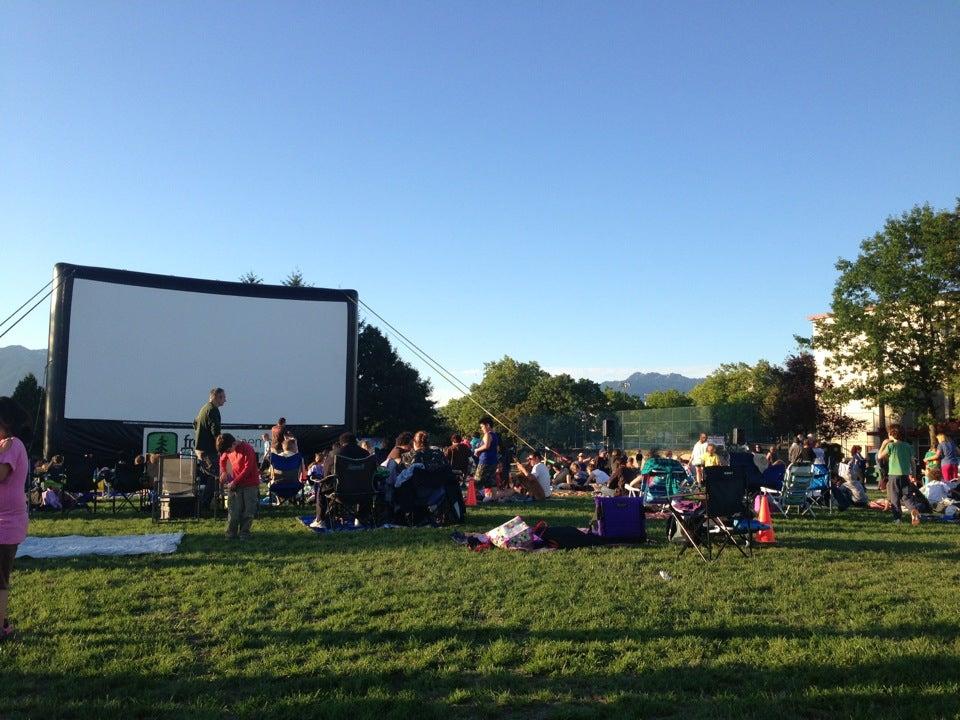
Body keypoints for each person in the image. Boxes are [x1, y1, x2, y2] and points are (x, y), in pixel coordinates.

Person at [0, 397, 30, 641]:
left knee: (0, 580)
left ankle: (1, 628)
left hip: (5, 525)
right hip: (6, 522)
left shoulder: (12, 444)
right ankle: (3, 622)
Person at [313, 432, 370, 527]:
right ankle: (361, 519)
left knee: (321, 487)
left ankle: (320, 520)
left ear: (341, 443)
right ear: (355, 442)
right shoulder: (366, 453)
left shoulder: (334, 453)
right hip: (363, 492)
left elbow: (326, 475)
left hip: (341, 492)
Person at [216, 433, 260, 539]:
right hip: (235, 484)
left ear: (233, 444)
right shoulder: (227, 450)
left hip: (250, 484)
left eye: (228, 451)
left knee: (248, 511)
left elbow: (247, 469)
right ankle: (230, 534)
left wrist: (234, 482)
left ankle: (244, 533)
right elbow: (222, 460)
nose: (227, 453)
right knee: (233, 510)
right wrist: (224, 472)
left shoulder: (247, 449)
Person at [878, 424, 921, 526]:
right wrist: (914, 475)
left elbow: (879, 456)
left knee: (894, 497)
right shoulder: (908, 446)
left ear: (892, 434)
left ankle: (897, 519)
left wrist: (883, 444)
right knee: (907, 496)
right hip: (905, 475)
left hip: (894, 475)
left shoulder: (891, 446)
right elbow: (913, 462)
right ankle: (913, 510)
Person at [194, 388, 226, 508]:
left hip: (201, 449)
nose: (225, 400)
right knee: (218, 475)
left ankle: (206, 502)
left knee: (212, 476)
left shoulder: (204, 408)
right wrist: (221, 447)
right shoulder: (213, 410)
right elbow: (216, 432)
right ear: (216, 397)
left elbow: (195, 423)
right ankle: (205, 504)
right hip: (208, 450)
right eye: (223, 397)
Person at [473, 417, 500, 502]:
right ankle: (494, 498)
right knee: (491, 480)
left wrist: (477, 450)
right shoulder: (495, 435)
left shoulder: (487, 434)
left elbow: (486, 446)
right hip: (493, 460)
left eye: (482, 426)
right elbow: (496, 448)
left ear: (487, 425)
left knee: (477, 480)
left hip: (485, 460)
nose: (481, 429)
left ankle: (472, 498)